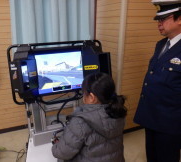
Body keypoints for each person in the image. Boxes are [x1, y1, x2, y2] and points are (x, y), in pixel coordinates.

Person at [134, 0, 181, 162]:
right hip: (151, 116)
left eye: (164, 19)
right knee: (152, 156)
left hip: (170, 123)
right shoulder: (160, 44)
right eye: (158, 20)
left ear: (179, 19)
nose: (159, 24)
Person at [51, 72, 127, 162]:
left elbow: (60, 152)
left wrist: (56, 144)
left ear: (91, 97)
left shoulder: (80, 122)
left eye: (84, 93)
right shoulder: (118, 111)